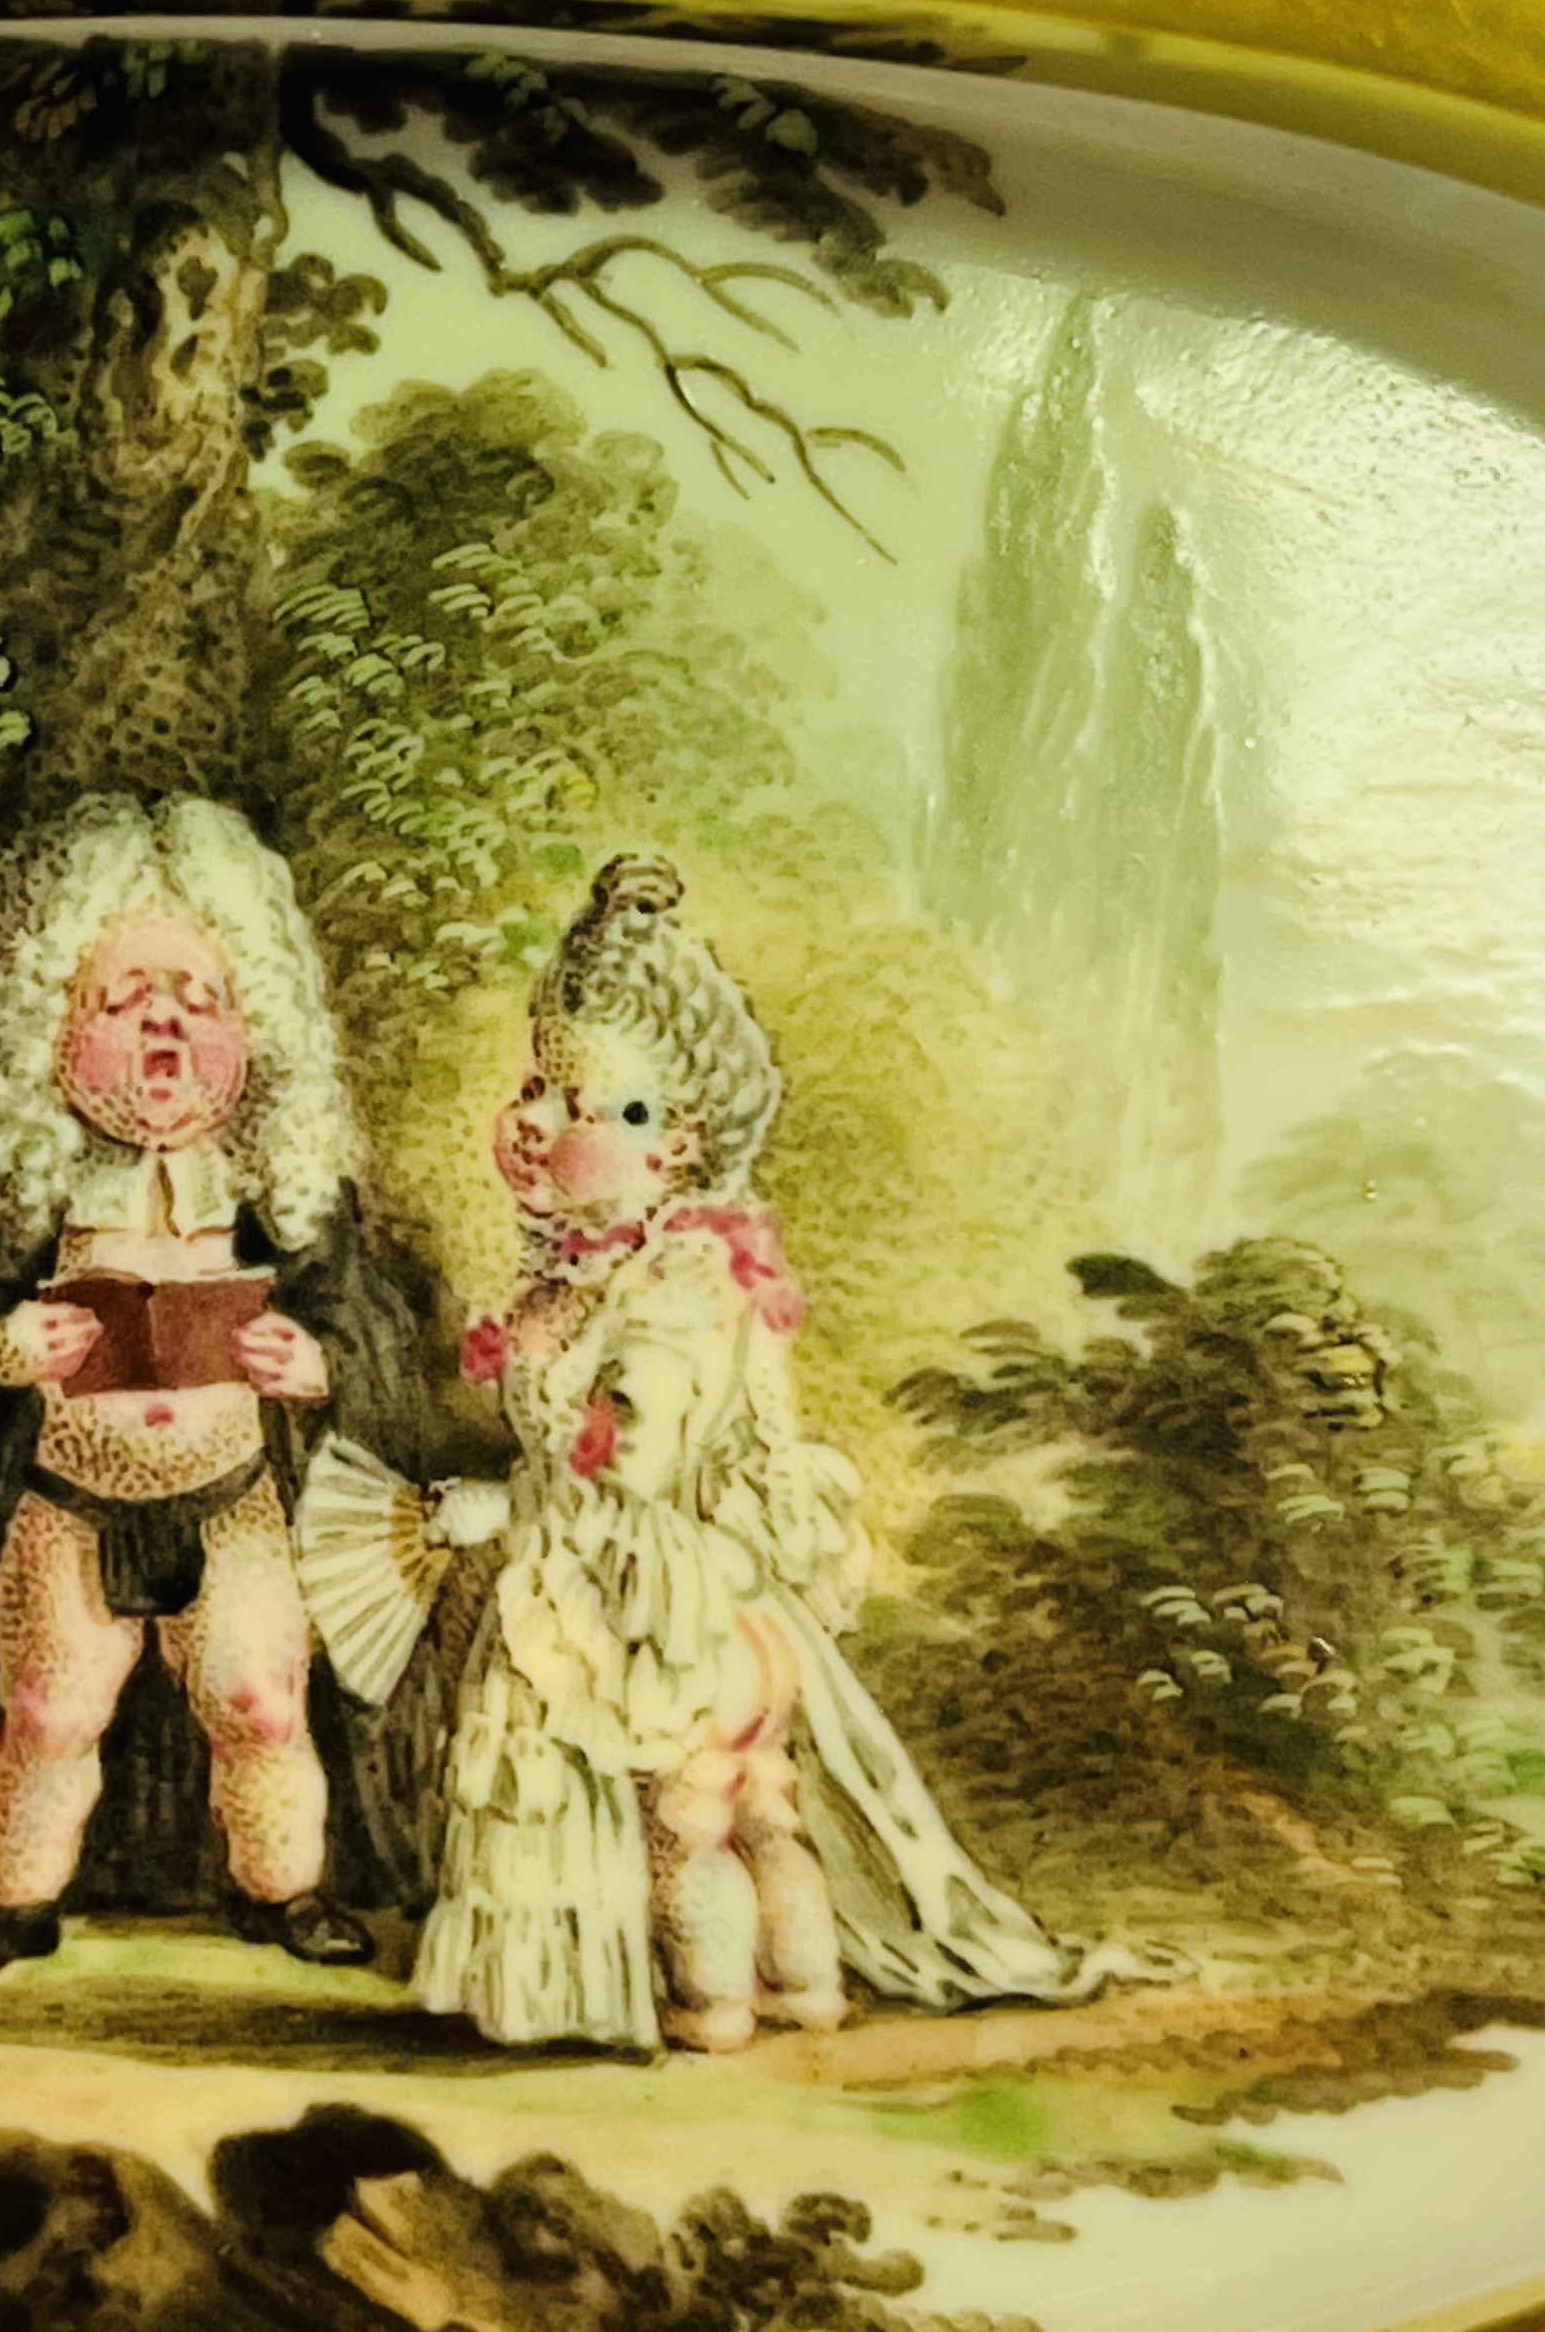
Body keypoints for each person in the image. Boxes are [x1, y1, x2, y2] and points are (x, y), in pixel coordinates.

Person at [414, 854, 1086, 2054]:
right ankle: (807, 1986)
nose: (539, 1120)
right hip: (693, 1601)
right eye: (536, 1088)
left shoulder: (679, 1284)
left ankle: (716, 1999)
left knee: (686, 1819)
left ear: (673, 1143)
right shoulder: (584, 1277)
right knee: (761, 1809)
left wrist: (501, 1505)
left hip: (661, 1605)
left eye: (580, 1102)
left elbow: (626, 1458)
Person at [0, 795, 425, 1983]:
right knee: (46, 1708)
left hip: (232, 1496)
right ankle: (9, 1902)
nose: (167, 1028)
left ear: (260, 1021)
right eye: (125, 1002)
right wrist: (0, 1345)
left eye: (202, 1001)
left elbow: (368, 1325)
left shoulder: (280, 1179)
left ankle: (282, 1889)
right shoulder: (9, 1181)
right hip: (66, 1498)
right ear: (41, 1025)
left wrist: (319, 1365)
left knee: (260, 1698)